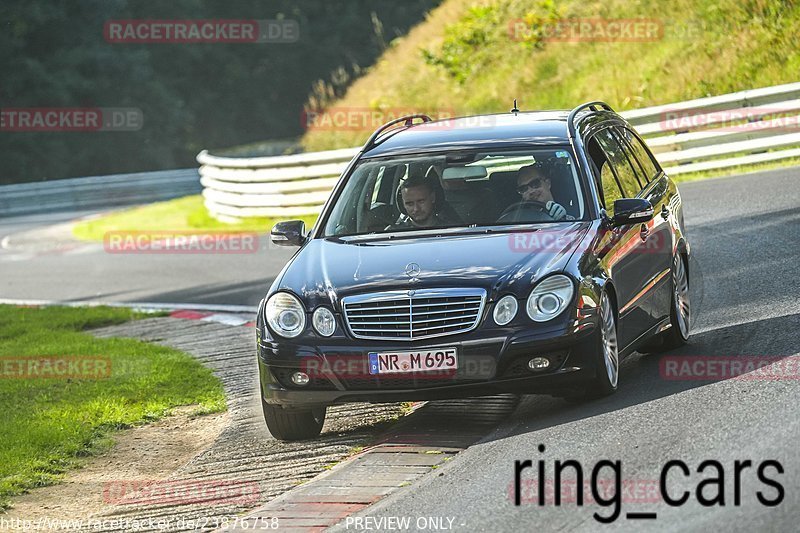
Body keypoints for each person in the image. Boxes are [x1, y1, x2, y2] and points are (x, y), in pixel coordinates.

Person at [389, 175, 458, 229]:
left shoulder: (452, 230)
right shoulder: (390, 235)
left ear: (433, 198)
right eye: (410, 204)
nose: (416, 209)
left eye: (421, 201)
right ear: (403, 204)